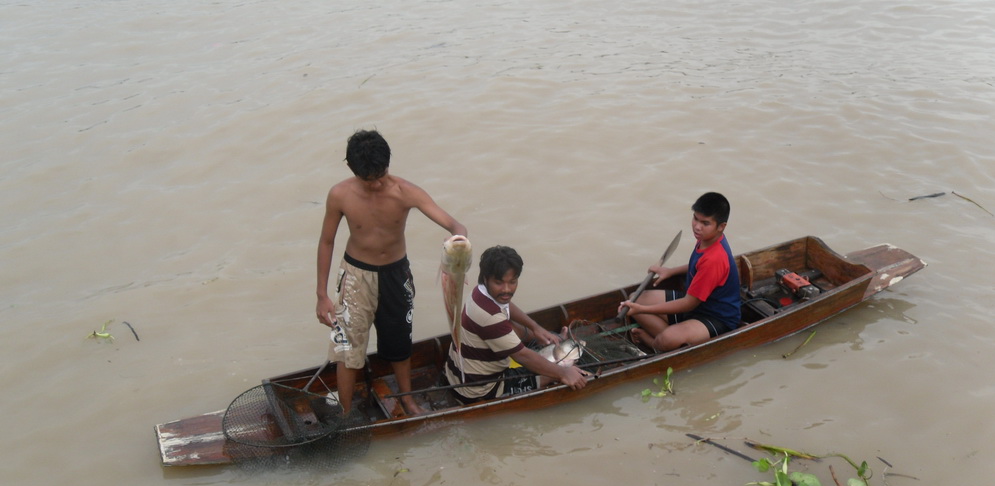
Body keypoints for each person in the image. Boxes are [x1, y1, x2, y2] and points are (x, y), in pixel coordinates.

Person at [316, 130, 468, 415]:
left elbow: (454, 225)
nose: (376, 184)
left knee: (400, 341)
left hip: (396, 275)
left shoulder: (405, 192)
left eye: (380, 176)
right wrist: (321, 294)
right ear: (351, 168)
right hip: (355, 277)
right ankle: (346, 414)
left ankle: (408, 400)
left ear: (388, 164)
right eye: (368, 179)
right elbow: (326, 241)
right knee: (348, 349)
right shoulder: (339, 195)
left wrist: (458, 242)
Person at [443, 245, 589, 402]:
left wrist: (536, 328)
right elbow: (522, 356)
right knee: (551, 374)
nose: (507, 290)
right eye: (499, 283)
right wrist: (564, 373)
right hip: (478, 391)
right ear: (486, 278)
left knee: (527, 336)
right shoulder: (490, 317)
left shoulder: (479, 292)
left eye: (512, 282)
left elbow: (506, 306)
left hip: (455, 376)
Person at [619, 192, 741, 352]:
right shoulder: (706, 238)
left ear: (721, 226)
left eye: (705, 223)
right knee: (636, 298)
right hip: (696, 304)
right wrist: (670, 271)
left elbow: (689, 303)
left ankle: (653, 342)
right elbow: (698, 266)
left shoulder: (715, 259)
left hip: (716, 317)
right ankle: (675, 338)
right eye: (695, 218)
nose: (697, 226)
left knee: (666, 337)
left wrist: (642, 310)